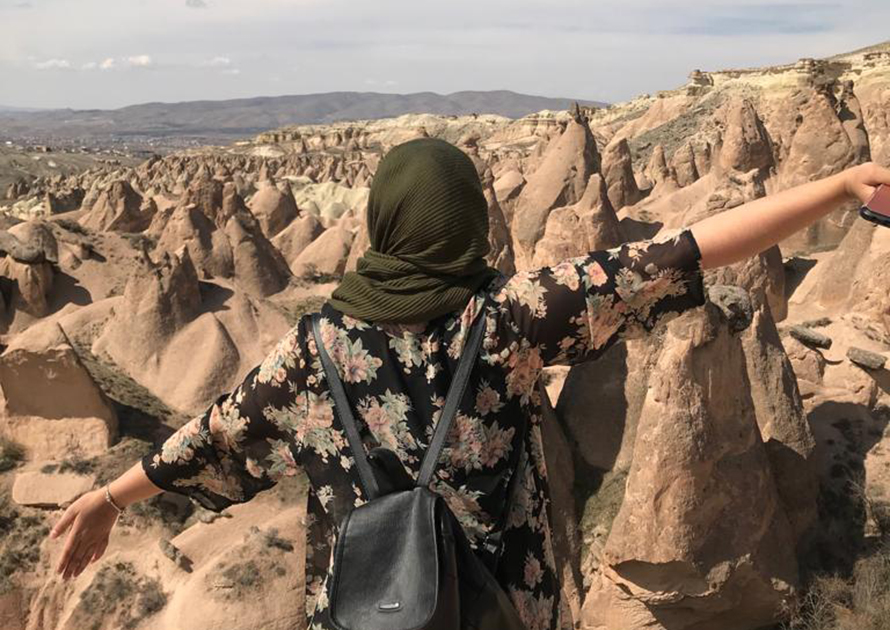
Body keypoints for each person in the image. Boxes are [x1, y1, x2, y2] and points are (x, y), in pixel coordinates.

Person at [48, 137, 890, 630]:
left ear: (384, 224)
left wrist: (108, 500)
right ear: (459, 224)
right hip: (500, 608)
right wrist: (842, 186)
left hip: (364, 613)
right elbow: (686, 251)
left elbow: (209, 437)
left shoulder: (312, 352)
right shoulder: (510, 319)